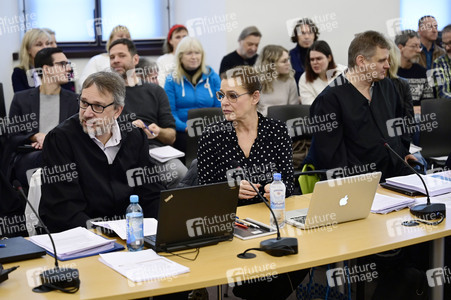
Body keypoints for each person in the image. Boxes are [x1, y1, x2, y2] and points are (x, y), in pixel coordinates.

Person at [197, 66, 307, 299]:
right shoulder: (212, 135)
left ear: (255, 97)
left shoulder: (276, 132)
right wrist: (231, 190)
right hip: (230, 224)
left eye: (232, 96)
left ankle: (254, 291)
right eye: (221, 95)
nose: (224, 102)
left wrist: (275, 189)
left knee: (303, 255)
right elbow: (203, 191)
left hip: (271, 220)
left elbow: (288, 181)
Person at [39, 71, 163, 233]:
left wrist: (155, 229)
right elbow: (63, 208)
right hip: (82, 236)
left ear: (117, 111)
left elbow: (151, 194)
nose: (87, 113)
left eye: (98, 106)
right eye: (84, 103)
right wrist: (106, 234)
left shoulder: (135, 136)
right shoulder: (60, 139)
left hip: (129, 233)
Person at [311, 30, 415, 181]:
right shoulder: (329, 100)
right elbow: (331, 159)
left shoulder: (387, 86)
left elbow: (400, 123)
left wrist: (404, 152)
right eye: (381, 60)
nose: (387, 65)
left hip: (396, 175)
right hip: (359, 184)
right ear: (361, 61)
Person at [109, 38, 187, 188]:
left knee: (179, 173)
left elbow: (171, 136)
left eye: (121, 55)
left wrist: (158, 132)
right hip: (118, 151)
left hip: (153, 151)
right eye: (112, 57)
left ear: (135, 59)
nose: (115, 60)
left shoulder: (155, 91)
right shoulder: (106, 93)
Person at [6, 47, 78, 187]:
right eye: (62, 64)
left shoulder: (75, 100)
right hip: (30, 156)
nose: (68, 68)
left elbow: (78, 135)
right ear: (46, 69)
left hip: (64, 156)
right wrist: (36, 136)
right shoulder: (21, 99)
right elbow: (11, 137)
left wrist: (50, 141)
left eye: (67, 63)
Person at [164, 36, 221, 152]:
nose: (194, 57)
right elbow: (170, 113)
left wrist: (211, 127)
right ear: (180, 57)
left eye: (197, 53)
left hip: (211, 129)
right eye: (189, 53)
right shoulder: (171, 80)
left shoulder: (213, 77)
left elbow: (220, 108)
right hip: (183, 131)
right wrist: (186, 128)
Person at [78, 25, 131, 90]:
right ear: (111, 40)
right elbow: (84, 83)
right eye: (120, 36)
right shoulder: (97, 60)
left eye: (128, 37)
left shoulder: (135, 60)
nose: (124, 39)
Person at [395, 30, 434, 114]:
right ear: (400, 48)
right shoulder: (389, 72)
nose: (418, 50)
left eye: (419, 46)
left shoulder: (425, 73)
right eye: (414, 46)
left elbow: (428, 104)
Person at [254, 45, 298, 116]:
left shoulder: (290, 80)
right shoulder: (256, 80)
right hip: (261, 121)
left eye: (288, 59)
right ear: (271, 64)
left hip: (283, 120)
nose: (288, 63)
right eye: (284, 61)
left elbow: (293, 109)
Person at [298, 40, 346, 105]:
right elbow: (310, 107)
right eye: (312, 59)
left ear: (329, 58)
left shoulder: (343, 72)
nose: (315, 63)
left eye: (319, 59)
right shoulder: (304, 78)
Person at [11, 28, 51, 92]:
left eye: (47, 43)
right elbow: (23, 100)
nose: (45, 47)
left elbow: (68, 95)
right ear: (28, 49)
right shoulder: (20, 73)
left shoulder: (58, 67)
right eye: (39, 44)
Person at [289, 18, 319, 84]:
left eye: (310, 33)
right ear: (296, 35)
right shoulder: (290, 56)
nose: (306, 37)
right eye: (303, 33)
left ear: (315, 35)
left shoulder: (322, 54)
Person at [431, 24, 451, 99]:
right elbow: (442, 93)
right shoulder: (438, 63)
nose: (447, 48)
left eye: (450, 43)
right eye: (444, 44)